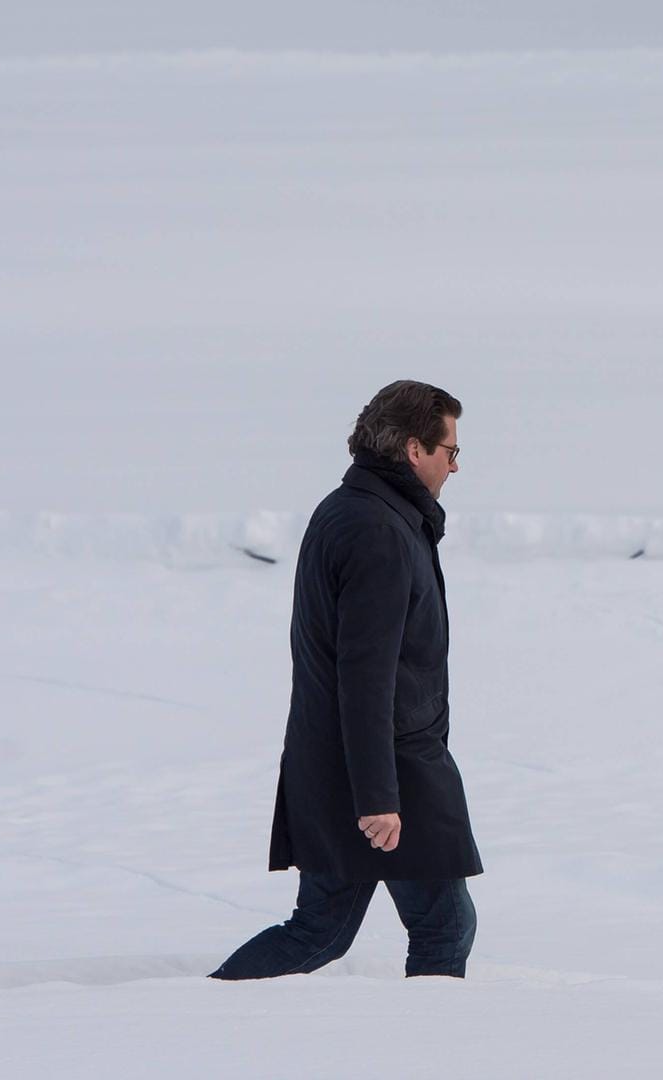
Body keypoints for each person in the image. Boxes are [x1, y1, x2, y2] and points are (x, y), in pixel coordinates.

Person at [211, 380, 483, 980]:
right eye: (451, 451)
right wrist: (379, 797)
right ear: (415, 450)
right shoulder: (377, 530)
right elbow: (365, 675)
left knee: (322, 929)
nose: (455, 466)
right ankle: (429, 1051)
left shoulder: (362, 510)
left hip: (351, 763)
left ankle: (209, 1009)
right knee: (442, 927)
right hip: (383, 771)